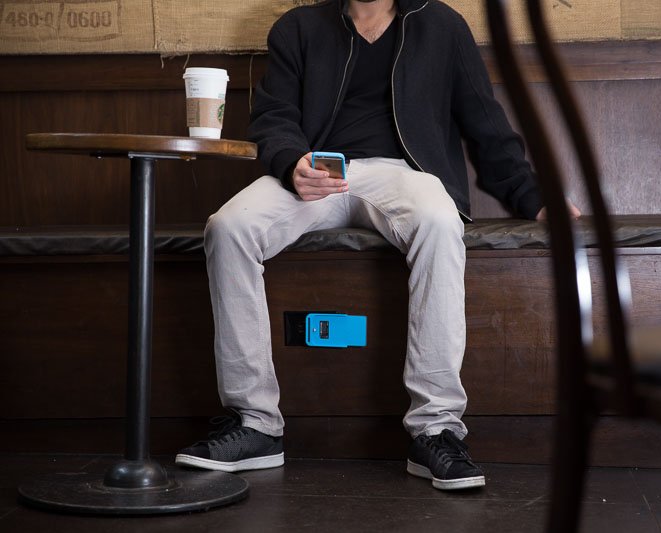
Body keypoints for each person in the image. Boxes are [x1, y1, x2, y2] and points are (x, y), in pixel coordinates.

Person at [175, 0, 580, 491]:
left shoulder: (442, 26)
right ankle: (255, 423)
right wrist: (291, 162)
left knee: (438, 220)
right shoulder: (298, 27)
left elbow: (486, 125)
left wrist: (536, 198)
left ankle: (436, 428)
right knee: (227, 227)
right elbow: (272, 117)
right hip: (316, 170)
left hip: (403, 172)